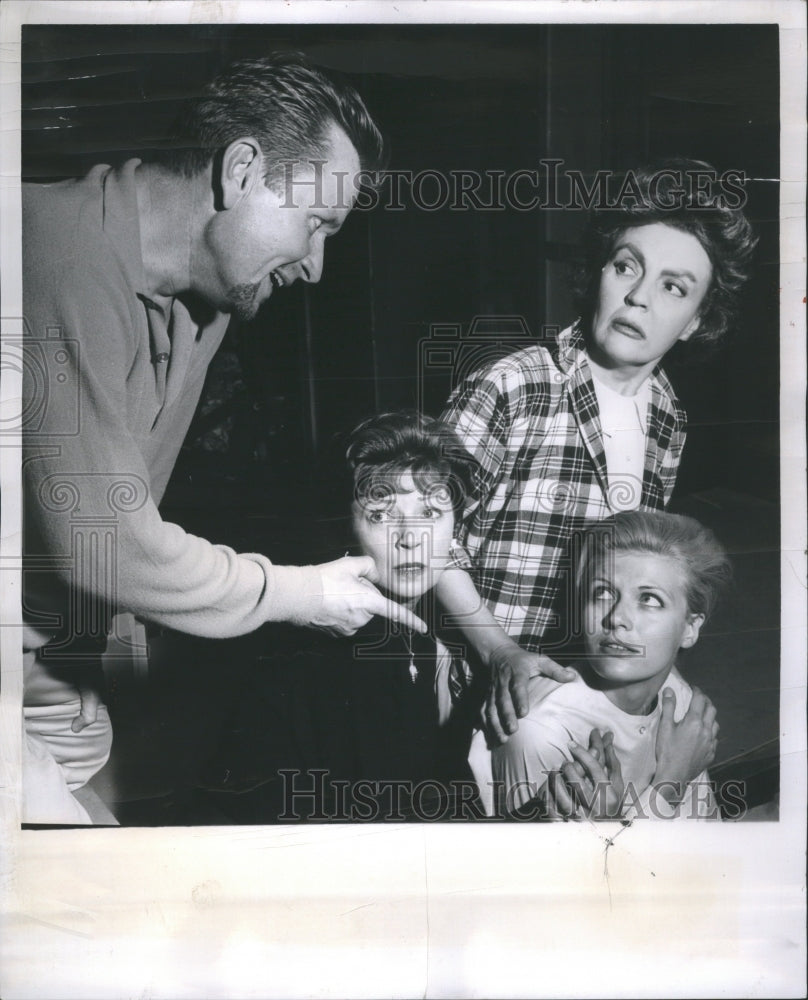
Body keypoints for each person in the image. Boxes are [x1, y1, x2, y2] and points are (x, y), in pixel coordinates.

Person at [21, 52, 426, 824]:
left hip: (51, 641)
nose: (315, 266)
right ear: (241, 170)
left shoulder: (208, 295)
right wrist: (295, 592)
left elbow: (116, 500)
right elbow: (103, 540)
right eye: (316, 224)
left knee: (106, 797)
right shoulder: (57, 254)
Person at [440, 159, 756, 742]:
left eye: (673, 286)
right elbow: (422, 540)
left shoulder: (668, 419)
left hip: (586, 674)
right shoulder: (512, 384)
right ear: (599, 274)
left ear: (695, 321)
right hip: (480, 674)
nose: (638, 297)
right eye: (626, 266)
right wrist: (499, 651)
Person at [264, 412, 487, 821]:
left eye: (431, 513)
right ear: (346, 527)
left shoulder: (415, 639)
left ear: (456, 526)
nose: (409, 538)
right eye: (381, 515)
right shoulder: (340, 659)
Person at [471, 510, 731, 820]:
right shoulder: (539, 731)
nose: (616, 618)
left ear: (690, 628)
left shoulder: (679, 699)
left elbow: (703, 840)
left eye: (649, 599)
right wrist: (671, 782)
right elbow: (540, 866)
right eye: (603, 593)